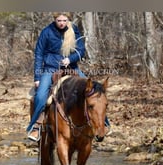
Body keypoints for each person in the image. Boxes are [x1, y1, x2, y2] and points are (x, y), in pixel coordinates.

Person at [27, 12, 111, 142]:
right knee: (40, 95)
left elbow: (81, 50)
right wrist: (37, 77)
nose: (61, 23)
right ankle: (36, 126)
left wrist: (70, 59)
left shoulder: (74, 30)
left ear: (68, 20)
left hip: (72, 68)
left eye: (64, 20)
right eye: (59, 20)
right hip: (51, 68)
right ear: (54, 19)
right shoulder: (47, 32)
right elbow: (39, 54)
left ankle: (104, 123)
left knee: (96, 91)